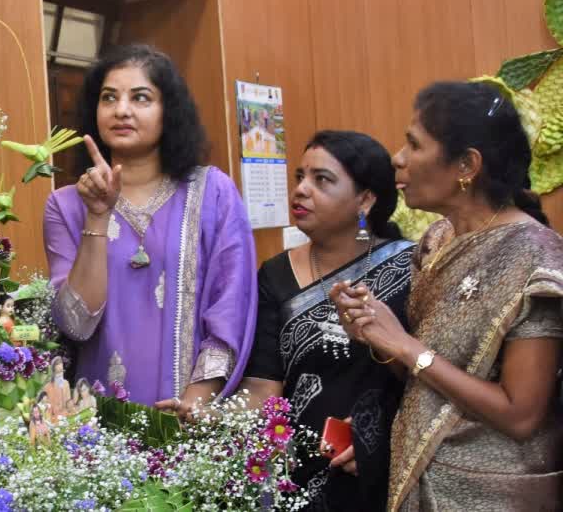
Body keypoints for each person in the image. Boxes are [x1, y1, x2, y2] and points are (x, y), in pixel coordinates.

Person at [333, 82, 563, 511]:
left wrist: (405, 343)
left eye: (413, 144)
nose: (397, 158)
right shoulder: (437, 241)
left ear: (466, 165)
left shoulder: (537, 258)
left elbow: (521, 415)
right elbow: (425, 378)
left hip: (495, 493)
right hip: (421, 477)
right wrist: (377, 335)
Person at [44, 44, 257, 414]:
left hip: (188, 415)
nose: (121, 110)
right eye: (109, 97)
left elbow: (230, 309)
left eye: (141, 98)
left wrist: (191, 409)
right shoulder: (65, 205)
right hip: (98, 425)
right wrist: (97, 215)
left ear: (168, 111)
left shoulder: (213, 193)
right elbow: (77, 325)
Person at [240, 130, 413, 511]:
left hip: (378, 465)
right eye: (299, 177)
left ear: (365, 200)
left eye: (322, 180)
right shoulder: (275, 273)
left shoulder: (410, 266)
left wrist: (375, 435)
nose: (301, 190)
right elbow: (263, 384)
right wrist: (214, 420)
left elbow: (426, 375)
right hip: (295, 465)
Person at [43, 356, 72, 421]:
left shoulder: (66, 384)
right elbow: (45, 405)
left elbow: (68, 402)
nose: (60, 374)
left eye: (61, 371)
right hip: (51, 417)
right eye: (58, 373)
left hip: (64, 417)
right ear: (54, 372)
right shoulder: (47, 386)